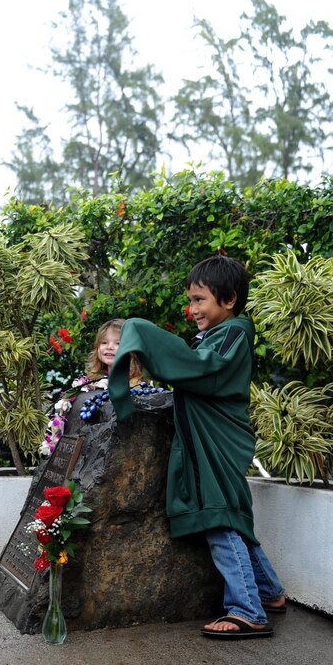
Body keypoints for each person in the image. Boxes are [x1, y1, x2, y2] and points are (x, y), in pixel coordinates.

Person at [109, 255, 286, 639]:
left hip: (218, 442)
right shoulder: (222, 333)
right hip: (207, 441)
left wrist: (143, 332)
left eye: (199, 300)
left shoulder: (235, 333)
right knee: (230, 515)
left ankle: (247, 610)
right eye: (190, 301)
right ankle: (269, 593)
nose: (192, 310)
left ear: (230, 299)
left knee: (218, 519)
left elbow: (200, 368)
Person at [41, 319, 144, 456]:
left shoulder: (137, 386)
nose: (109, 347)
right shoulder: (87, 385)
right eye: (104, 342)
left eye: (117, 343)